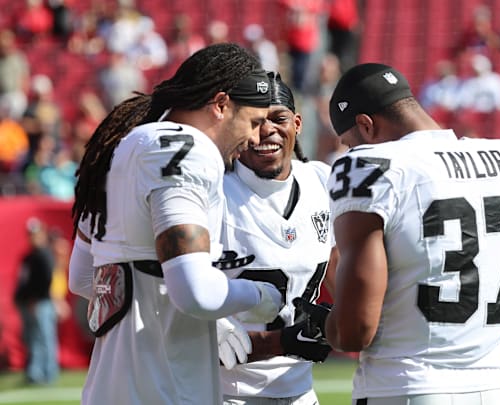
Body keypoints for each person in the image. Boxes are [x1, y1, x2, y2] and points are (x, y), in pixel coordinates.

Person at [298, 62, 500, 405]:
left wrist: (323, 323)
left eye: (350, 143)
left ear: (366, 127)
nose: (351, 152)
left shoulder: (368, 165)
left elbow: (355, 331)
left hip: (404, 386)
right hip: (491, 386)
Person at [67, 43, 283, 405]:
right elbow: (195, 292)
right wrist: (261, 297)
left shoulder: (120, 149)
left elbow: (83, 278)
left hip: (108, 389)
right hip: (167, 389)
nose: (255, 138)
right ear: (220, 105)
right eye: (254, 121)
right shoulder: (187, 150)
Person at [217, 71, 337, 404]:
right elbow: (180, 316)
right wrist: (282, 341)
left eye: (278, 118)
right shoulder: (213, 191)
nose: (267, 130)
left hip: (299, 388)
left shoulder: (322, 181)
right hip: (226, 391)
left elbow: (341, 273)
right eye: (254, 121)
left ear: (297, 123)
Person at [14, 217, 58, 385]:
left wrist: (35, 298)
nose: (33, 237)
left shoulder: (44, 255)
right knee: (32, 338)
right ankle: (35, 372)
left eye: (36, 233)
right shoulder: (29, 256)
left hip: (40, 303)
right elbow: (23, 280)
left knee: (44, 338)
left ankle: (48, 373)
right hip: (29, 303)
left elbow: (47, 279)